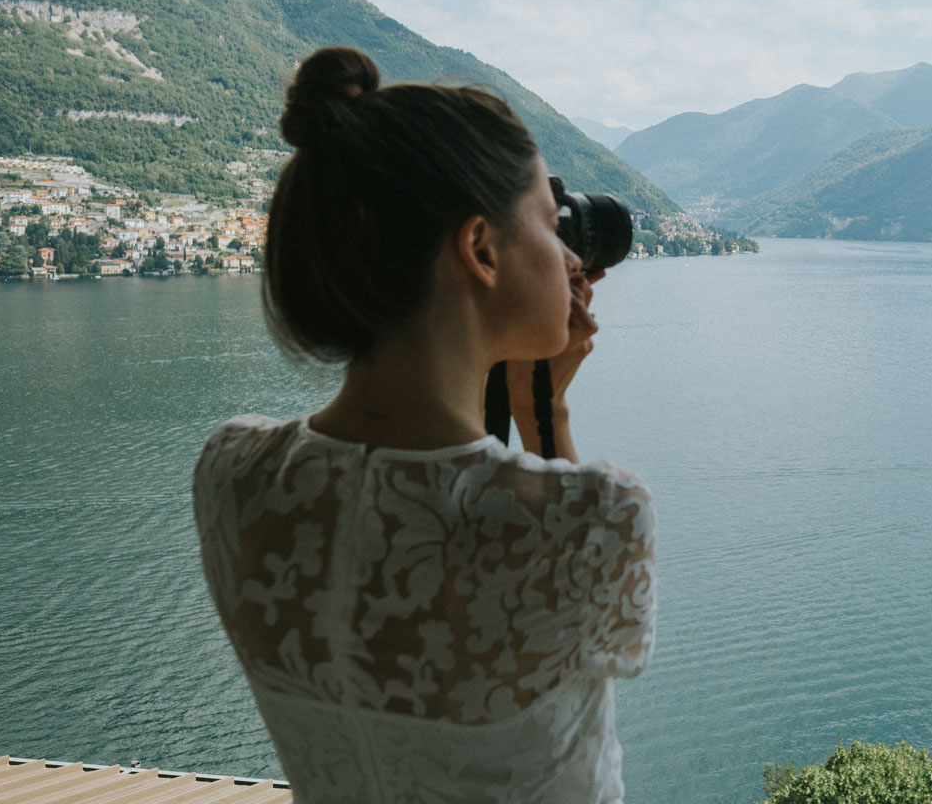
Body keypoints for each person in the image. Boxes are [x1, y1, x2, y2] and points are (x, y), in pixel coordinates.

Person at [191, 47, 655, 804]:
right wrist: (546, 414)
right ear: (480, 249)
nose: (572, 256)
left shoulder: (234, 475)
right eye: (549, 221)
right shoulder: (598, 516)